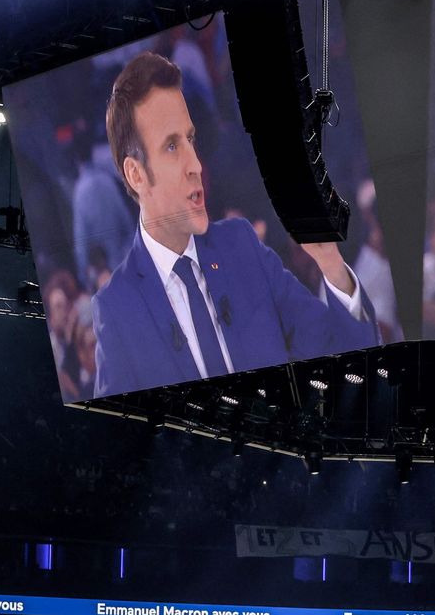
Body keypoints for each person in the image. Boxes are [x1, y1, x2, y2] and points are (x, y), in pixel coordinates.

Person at [90, 52, 379, 399]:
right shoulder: (117, 307)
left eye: (190, 139)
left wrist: (331, 263)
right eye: (171, 146)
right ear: (136, 174)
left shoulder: (242, 245)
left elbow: (344, 357)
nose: (195, 164)